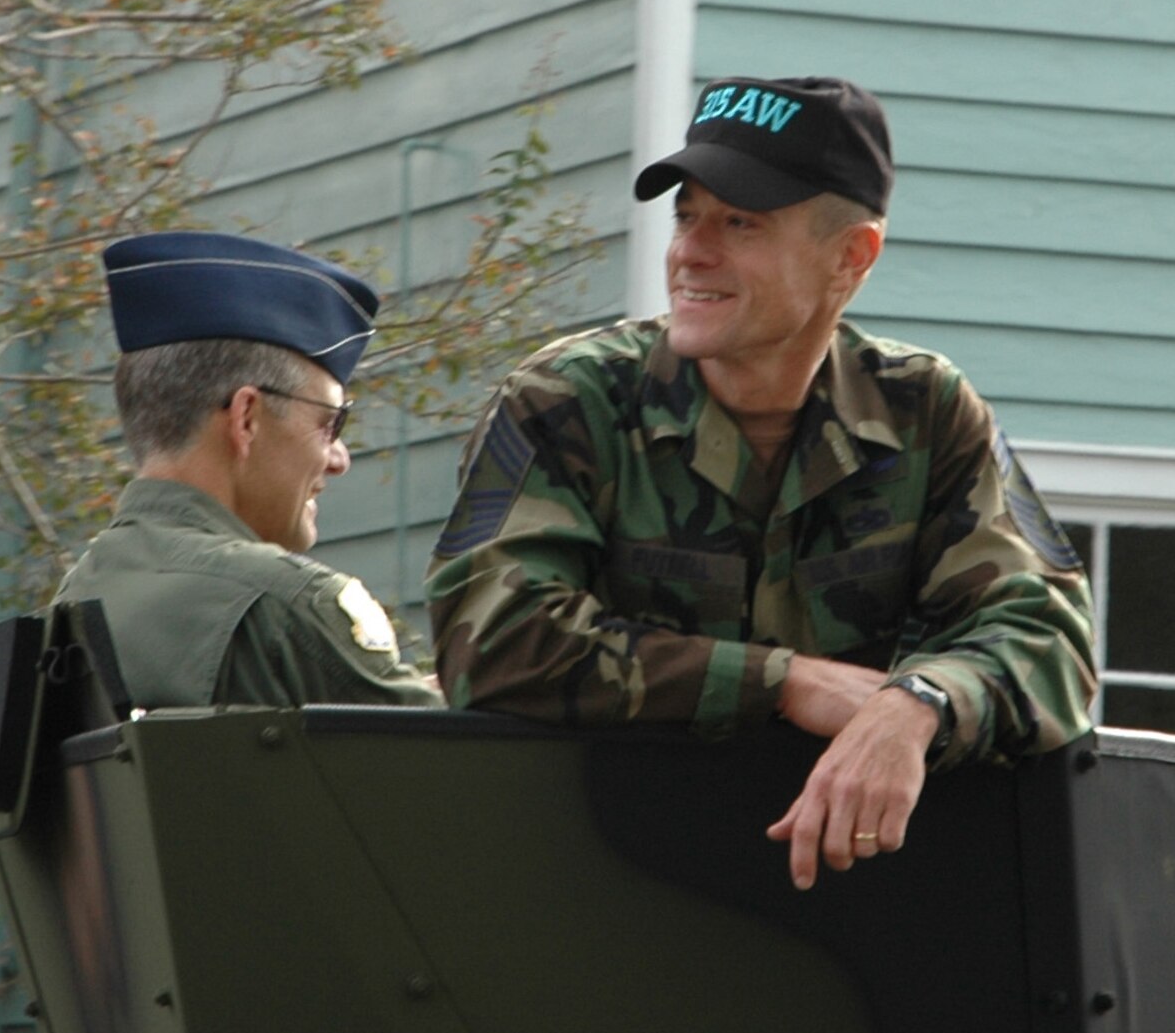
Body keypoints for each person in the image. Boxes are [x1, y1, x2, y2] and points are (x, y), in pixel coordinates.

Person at [427, 77, 1093, 888]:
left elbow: (1049, 638)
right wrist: (781, 682)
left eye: (739, 222)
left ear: (852, 255)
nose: (690, 252)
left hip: (856, 907)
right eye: (685, 215)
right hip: (595, 884)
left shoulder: (924, 411)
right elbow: (492, 639)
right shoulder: (568, 403)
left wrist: (917, 705)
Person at [56, 231, 442, 709]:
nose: (340, 459)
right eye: (330, 423)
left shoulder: (69, 609)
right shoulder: (287, 604)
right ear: (246, 419)